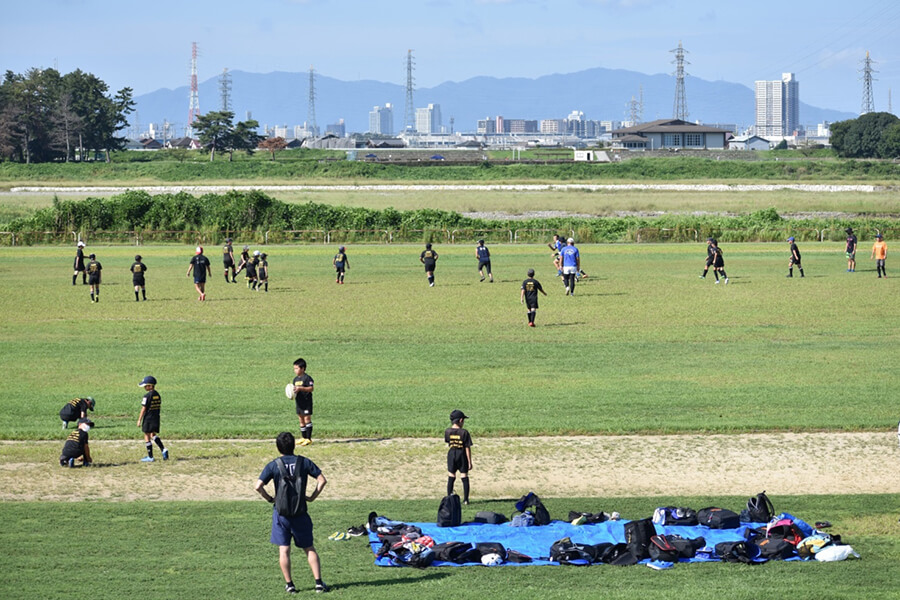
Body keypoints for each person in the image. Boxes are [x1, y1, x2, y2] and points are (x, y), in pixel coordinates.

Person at [254, 431, 328, 594]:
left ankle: (290, 585)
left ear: (278, 447)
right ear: (294, 445)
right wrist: (312, 497)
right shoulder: (304, 462)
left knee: (284, 550)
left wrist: (269, 498)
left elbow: (258, 486)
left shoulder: (274, 465)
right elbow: (322, 480)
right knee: (309, 548)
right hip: (300, 512)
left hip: (281, 514)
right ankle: (318, 583)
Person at [137, 375, 168, 462]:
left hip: (148, 418)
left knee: (147, 435)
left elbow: (144, 408)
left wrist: (139, 419)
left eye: (146, 386)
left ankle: (150, 456)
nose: (144, 388)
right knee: (153, 434)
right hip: (156, 417)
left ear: (150, 386)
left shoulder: (147, 396)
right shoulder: (157, 395)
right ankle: (163, 449)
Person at [445, 410, 473, 505]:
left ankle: (449, 497)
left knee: (451, 476)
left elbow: (448, 442)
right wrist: (469, 461)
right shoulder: (464, 432)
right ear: (461, 420)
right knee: (464, 476)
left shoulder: (447, 431)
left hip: (451, 453)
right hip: (462, 454)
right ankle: (465, 499)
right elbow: (467, 447)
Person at [292, 358, 315, 446]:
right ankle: (303, 437)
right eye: (294, 368)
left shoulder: (307, 378)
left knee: (307, 419)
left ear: (302, 368)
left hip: (306, 402)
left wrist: (301, 388)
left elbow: (311, 388)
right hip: (299, 402)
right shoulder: (295, 380)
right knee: (301, 419)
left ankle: (308, 439)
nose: (295, 370)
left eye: (297, 368)